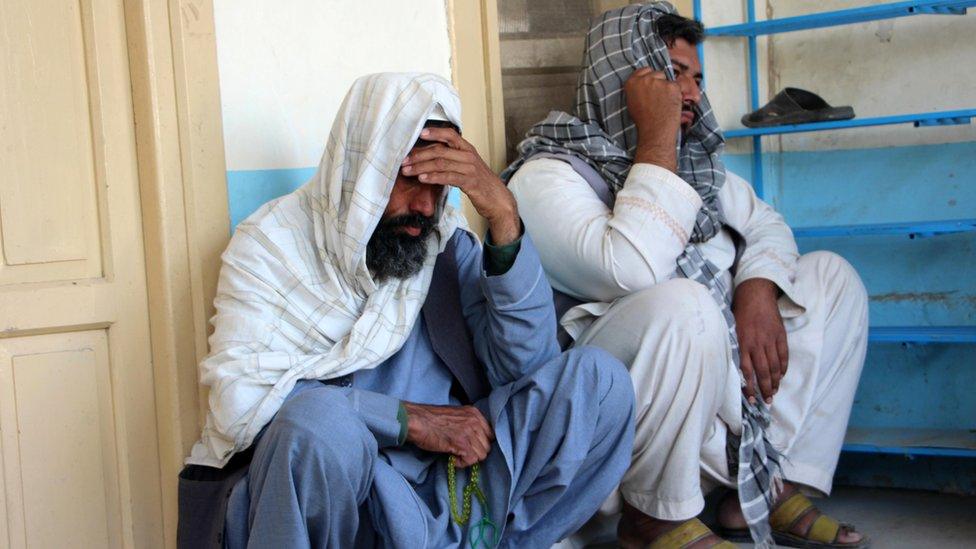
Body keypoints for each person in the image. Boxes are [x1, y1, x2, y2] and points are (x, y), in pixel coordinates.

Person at [176, 72, 635, 549]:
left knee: (601, 384)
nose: (424, 205)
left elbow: (526, 368)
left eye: (440, 185)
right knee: (316, 428)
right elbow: (240, 404)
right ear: (363, 171)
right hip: (353, 498)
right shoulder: (271, 246)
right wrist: (404, 419)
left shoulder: (445, 246)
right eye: (409, 179)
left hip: (449, 488)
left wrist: (503, 217)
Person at [504, 3, 869, 548]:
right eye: (672, 75)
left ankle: (768, 487)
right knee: (684, 304)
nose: (692, 95)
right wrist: (655, 141)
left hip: (723, 393)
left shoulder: (698, 167)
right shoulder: (547, 178)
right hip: (628, 430)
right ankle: (653, 517)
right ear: (622, 77)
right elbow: (633, 269)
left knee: (831, 278)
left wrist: (756, 291)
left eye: (697, 78)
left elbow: (767, 226)